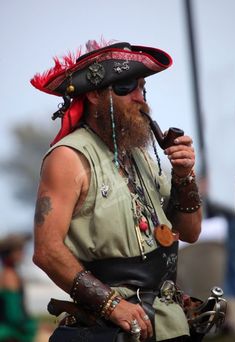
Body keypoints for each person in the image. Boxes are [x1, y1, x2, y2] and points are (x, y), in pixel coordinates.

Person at [31, 40, 202, 342]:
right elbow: (46, 251)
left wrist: (184, 175)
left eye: (142, 87)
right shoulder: (68, 157)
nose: (140, 97)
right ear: (96, 94)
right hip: (111, 329)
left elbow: (188, 232)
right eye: (126, 87)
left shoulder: (141, 155)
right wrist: (113, 306)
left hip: (168, 324)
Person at [0, 233, 38, 342]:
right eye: (19, 249)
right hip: (11, 335)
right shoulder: (10, 276)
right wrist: (33, 326)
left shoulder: (7, 274)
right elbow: (14, 315)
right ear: (9, 254)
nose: (23, 253)